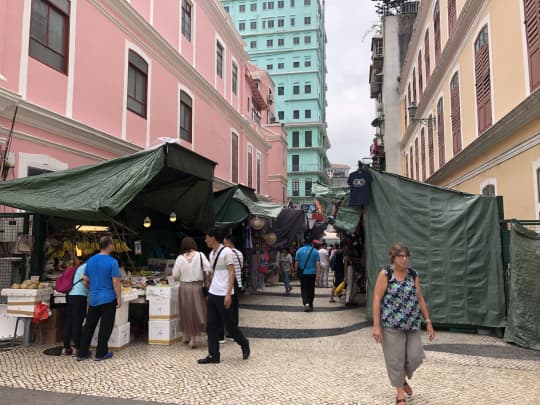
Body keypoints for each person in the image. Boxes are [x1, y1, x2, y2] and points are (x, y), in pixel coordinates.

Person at [372, 244, 435, 405]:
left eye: (407, 256)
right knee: (395, 359)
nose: (405, 259)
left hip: (412, 323)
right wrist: (377, 326)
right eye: (401, 256)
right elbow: (377, 299)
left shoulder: (413, 274)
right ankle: (400, 395)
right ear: (393, 257)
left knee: (416, 357)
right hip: (391, 325)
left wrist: (428, 321)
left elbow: (420, 298)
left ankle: (401, 378)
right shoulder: (386, 274)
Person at [198, 229, 250, 364]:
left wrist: (228, 294)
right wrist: (209, 290)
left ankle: (244, 343)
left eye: (207, 237)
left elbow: (231, 273)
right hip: (213, 293)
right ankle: (213, 355)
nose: (205, 240)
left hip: (224, 294)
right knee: (211, 326)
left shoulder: (227, 252)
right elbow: (214, 273)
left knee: (230, 325)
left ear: (214, 238)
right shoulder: (211, 254)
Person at [77, 236, 122, 361]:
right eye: (112, 243)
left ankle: (82, 352)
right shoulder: (112, 262)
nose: (113, 246)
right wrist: (119, 298)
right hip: (108, 298)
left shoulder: (91, 261)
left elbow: (85, 279)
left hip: (94, 298)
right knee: (105, 326)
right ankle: (101, 353)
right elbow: (116, 282)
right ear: (109, 245)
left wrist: (92, 287)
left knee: (89, 326)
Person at [172, 236, 210, 349]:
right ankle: (196, 337)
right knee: (199, 311)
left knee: (186, 311)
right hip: (198, 287)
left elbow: (175, 275)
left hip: (184, 287)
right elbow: (208, 269)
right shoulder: (201, 255)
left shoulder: (179, 258)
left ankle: (188, 336)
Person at [61, 254, 89, 356]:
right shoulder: (87, 267)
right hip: (79, 296)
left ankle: (66, 347)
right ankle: (77, 347)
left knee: (69, 321)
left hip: (70, 295)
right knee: (77, 321)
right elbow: (86, 280)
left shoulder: (79, 267)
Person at [223, 235, 244, 339]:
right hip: (238, 282)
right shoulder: (239, 253)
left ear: (230, 243)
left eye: (225, 243)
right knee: (235, 308)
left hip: (231, 283)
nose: (223, 245)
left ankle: (231, 331)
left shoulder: (229, 254)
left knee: (229, 308)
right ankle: (234, 330)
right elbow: (241, 267)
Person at [294, 234, 321, 312]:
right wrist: (318, 275)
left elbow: (296, 262)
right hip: (312, 274)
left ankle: (306, 303)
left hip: (303, 273)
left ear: (304, 242)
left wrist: (296, 271)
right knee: (311, 289)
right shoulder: (315, 252)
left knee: (304, 288)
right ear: (312, 243)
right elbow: (317, 264)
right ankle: (311, 305)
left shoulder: (299, 251)